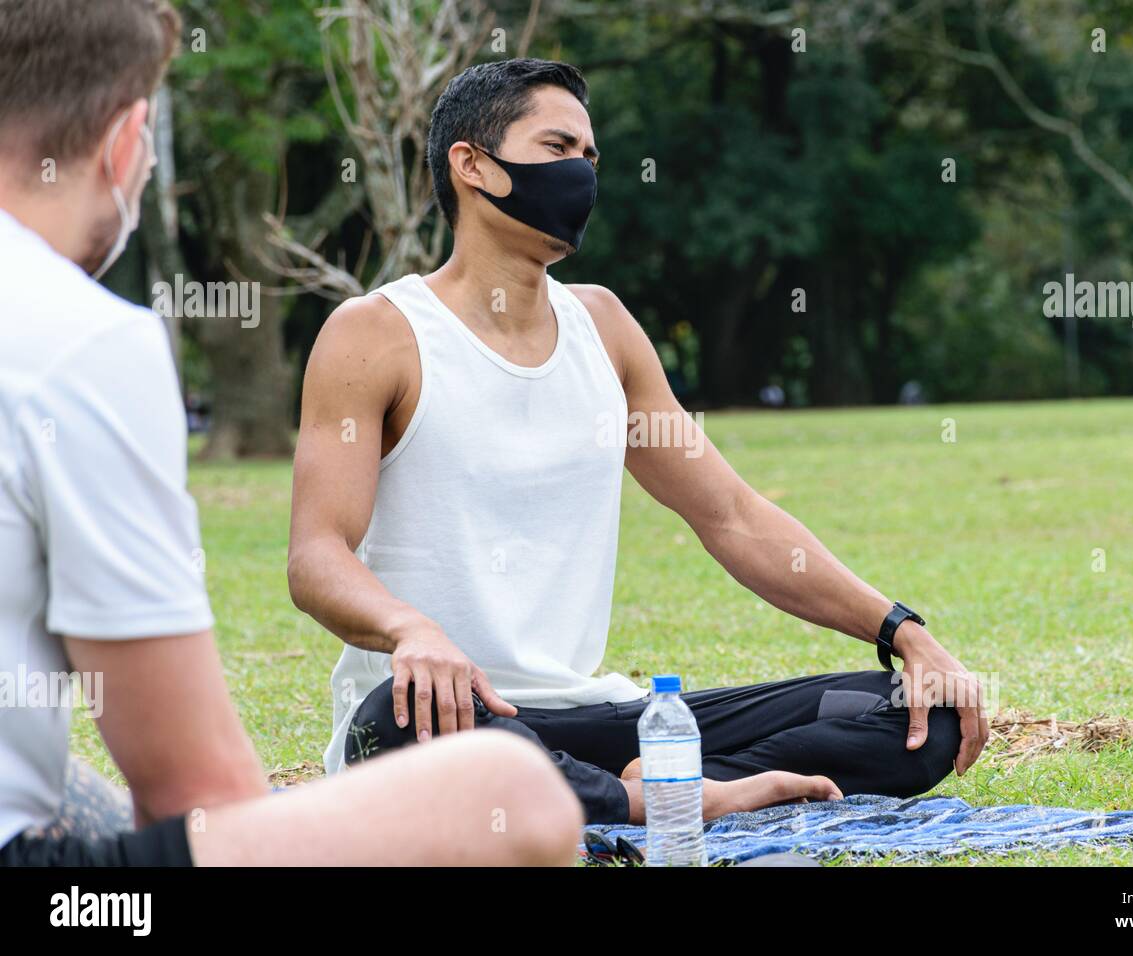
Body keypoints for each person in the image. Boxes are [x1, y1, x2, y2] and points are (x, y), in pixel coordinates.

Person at [289, 57, 990, 826]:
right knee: (392, 721)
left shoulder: (604, 329)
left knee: (920, 712)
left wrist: (903, 630)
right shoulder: (376, 334)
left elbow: (732, 516)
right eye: (559, 150)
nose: (584, 174)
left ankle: (645, 788)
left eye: (591, 158)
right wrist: (411, 630)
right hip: (442, 716)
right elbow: (317, 556)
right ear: (473, 166)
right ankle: (650, 794)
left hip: (590, 717)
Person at [0, 0, 581, 867]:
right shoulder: (84, 337)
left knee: (82, 793)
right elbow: (194, 791)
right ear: (127, 142)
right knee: (511, 788)